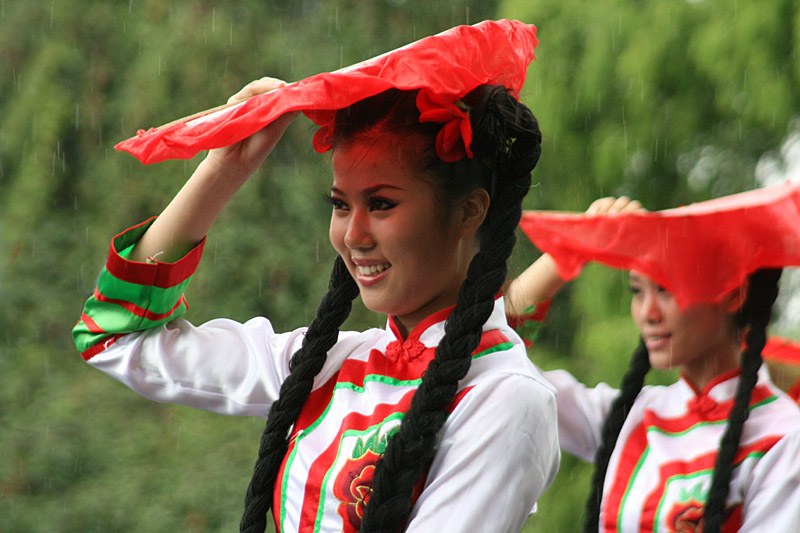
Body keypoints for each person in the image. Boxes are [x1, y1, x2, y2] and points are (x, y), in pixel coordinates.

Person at [72, 21, 560, 533]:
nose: (353, 234)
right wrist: (223, 169)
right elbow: (115, 336)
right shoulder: (325, 364)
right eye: (340, 205)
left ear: (469, 211)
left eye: (381, 203)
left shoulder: (506, 397)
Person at [508, 189, 800, 532]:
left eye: (666, 288)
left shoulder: (783, 437)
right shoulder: (628, 417)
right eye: (637, 291)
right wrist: (570, 251)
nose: (647, 313)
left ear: (733, 293)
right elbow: (481, 353)